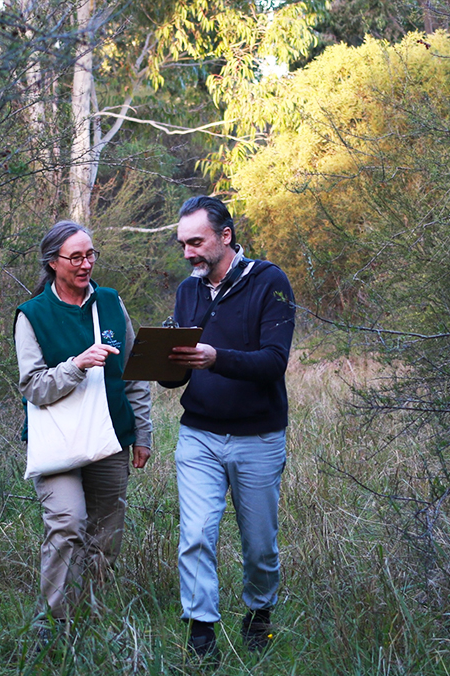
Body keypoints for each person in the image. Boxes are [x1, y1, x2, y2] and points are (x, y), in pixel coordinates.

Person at [161, 196, 295, 659]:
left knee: (259, 546)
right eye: (183, 244)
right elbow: (177, 376)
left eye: (196, 243)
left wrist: (216, 358)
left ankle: (259, 617)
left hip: (258, 436)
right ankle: (201, 637)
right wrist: (161, 362)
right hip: (198, 434)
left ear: (225, 236)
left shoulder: (269, 281)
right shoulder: (189, 290)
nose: (188, 253)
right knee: (196, 534)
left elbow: (274, 362)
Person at [14, 220, 152, 629]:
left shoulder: (110, 302)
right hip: (57, 443)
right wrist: (76, 366)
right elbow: (33, 386)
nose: (86, 264)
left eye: (90, 254)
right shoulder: (32, 315)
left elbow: (134, 373)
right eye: (75, 257)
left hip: (111, 438)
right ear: (52, 262)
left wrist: (142, 433)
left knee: (106, 536)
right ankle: (53, 625)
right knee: (68, 523)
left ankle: (90, 621)